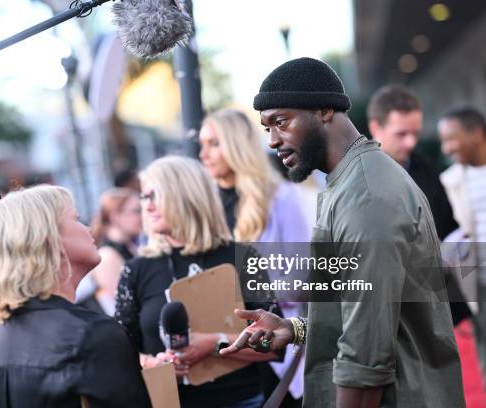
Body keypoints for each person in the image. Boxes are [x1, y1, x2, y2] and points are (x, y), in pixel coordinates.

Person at [221, 57, 465, 408]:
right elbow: (354, 312)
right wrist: (294, 329)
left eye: (282, 122)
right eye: (267, 128)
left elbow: (366, 357)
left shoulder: (367, 194)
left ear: (324, 110)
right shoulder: (348, 182)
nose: (273, 140)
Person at [114, 156, 282, 408]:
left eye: (154, 196)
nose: (146, 207)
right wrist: (152, 363)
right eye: (144, 197)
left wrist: (215, 342)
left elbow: (275, 343)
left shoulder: (241, 257)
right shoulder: (136, 269)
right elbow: (120, 351)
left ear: (186, 194)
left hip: (239, 401)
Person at [0, 185, 151, 408]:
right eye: (76, 219)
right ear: (49, 239)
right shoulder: (93, 335)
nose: (89, 229)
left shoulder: (3, 333)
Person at [199, 108, 309, 406]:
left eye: (213, 144)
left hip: (276, 344)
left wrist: (259, 292)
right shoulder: (203, 211)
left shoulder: (281, 198)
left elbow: (306, 273)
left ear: (236, 145)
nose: (203, 154)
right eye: (202, 145)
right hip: (224, 352)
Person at [367, 84, 458, 241]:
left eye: (415, 133)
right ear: (375, 128)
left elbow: (448, 226)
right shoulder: (355, 178)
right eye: (401, 134)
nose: (411, 142)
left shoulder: (425, 168)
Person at [438, 107, 486, 373]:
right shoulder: (449, 182)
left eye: (451, 138)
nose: (446, 148)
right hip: (478, 285)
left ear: (476, 133)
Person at [79, 188, 142, 316]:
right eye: (136, 211)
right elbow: (125, 307)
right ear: (115, 217)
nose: (142, 216)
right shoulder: (107, 256)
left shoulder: (129, 246)